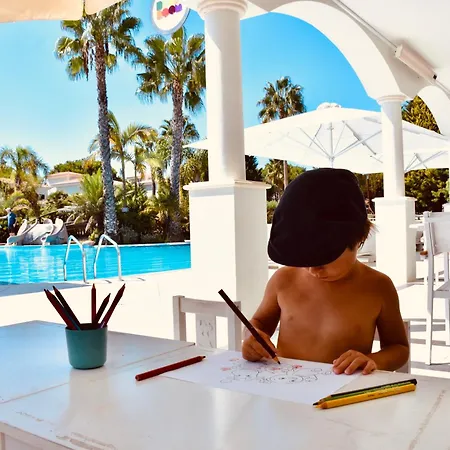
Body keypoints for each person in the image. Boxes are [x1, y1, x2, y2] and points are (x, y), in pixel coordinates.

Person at [242, 168, 409, 375]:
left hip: (342, 389)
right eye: (303, 259)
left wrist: (372, 360)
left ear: (359, 238)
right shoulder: (283, 280)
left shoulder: (378, 287)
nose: (312, 269)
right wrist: (252, 338)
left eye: (323, 258)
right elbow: (259, 323)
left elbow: (399, 348)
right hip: (285, 385)